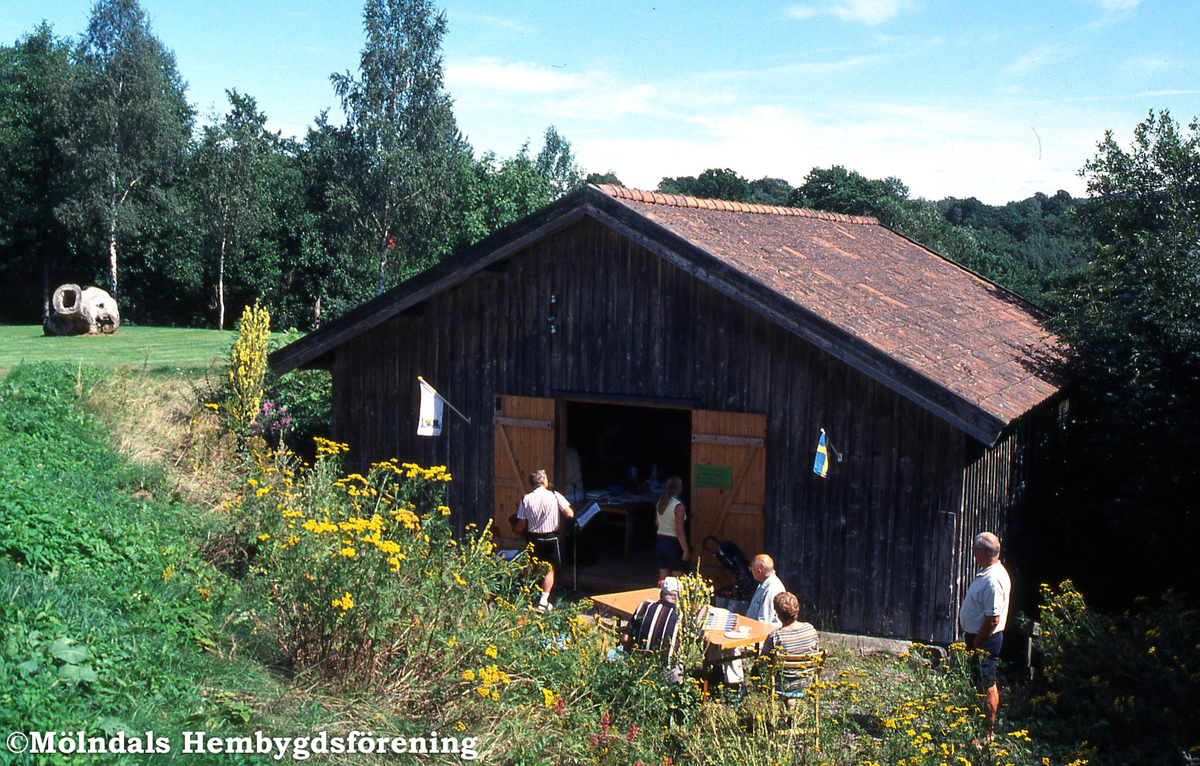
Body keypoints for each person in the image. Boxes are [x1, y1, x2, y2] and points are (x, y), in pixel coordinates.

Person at [958, 531, 1011, 744]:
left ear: (980, 552)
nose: (972, 553)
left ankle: (987, 735)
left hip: (984, 640)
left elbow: (993, 620)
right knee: (980, 684)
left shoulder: (993, 579)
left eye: (974, 549)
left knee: (988, 684)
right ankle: (977, 727)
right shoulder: (989, 571)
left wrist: (976, 644)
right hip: (978, 638)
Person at [514, 469, 575, 612]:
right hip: (551, 538)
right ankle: (543, 600)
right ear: (543, 482)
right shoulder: (554, 495)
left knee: (529, 567)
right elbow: (570, 514)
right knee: (550, 569)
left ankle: (525, 596)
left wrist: (517, 531)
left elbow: (521, 525)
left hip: (533, 537)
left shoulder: (526, 499)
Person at [760, 592, 820, 697]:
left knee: (755, 671)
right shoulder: (810, 630)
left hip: (782, 685)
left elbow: (763, 663)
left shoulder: (776, 637)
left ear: (778, 614)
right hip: (806, 683)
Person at [622, 576, 682, 659]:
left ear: (661, 593)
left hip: (640, 664)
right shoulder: (683, 617)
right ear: (680, 597)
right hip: (669, 669)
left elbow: (626, 638)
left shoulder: (644, 606)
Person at [654, 476, 691, 580]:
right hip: (672, 542)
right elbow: (679, 530)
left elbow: (657, 522)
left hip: (660, 540)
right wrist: (685, 549)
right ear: (680, 489)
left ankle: (661, 594)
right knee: (678, 578)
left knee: (662, 576)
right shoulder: (678, 506)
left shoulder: (661, 502)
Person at [746, 554, 786, 627]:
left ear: (759, 571)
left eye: (752, 569)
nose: (751, 571)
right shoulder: (762, 584)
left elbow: (764, 622)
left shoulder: (771, 589)